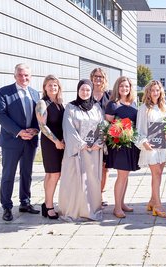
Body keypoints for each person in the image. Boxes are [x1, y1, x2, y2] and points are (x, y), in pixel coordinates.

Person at [0, 63, 40, 221]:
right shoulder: (4, 92)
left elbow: (39, 116)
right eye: (20, 75)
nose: (24, 78)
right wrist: (19, 132)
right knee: (8, 174)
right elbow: (0, 115)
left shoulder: (35, 93)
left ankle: (25, 202)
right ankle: (6, 207)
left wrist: (35, 130)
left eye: (26, 75)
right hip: (11, 141)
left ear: (30, 76)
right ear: (15, 76)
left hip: (30, 141)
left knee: (27, 173)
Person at [58, 79, 104, 221]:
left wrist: (99, 142)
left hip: (94, 151)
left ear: (91, 91)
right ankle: (75, 210)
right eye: (82, 89)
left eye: (88, 90)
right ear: (78, 90)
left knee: (91, 180)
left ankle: (92, 209)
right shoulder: (70, 108)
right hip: (77, 151)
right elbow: (68, 128)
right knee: (75, 180)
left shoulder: (97, 107)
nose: (85, 92)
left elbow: (102, 126)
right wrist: (81, 144)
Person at [136, 80, 166, 217]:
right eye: (152, 90)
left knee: (158, 175)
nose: (155, 93)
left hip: (162, 146)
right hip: (150, 146)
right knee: (156, 174)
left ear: (161, 91)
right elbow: (139, 129)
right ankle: (158, 205)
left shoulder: (163, 107)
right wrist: (143, 142)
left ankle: (152, 201)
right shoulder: (144, 108)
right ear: (148, 92)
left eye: (157, 90)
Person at [105, 76, 140, 218]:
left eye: (127, 86)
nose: (124, 89)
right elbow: (108, 126)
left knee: (126, 176)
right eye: (121, 86)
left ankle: (122, 203)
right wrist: (120, 133)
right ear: (117, 88)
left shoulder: (133, 103)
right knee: (121, 176)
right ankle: (117, 207)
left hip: (131, 144)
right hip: (119, 145)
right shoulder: (112, 104)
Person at [35, 75, 65, 219]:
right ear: (45, 87)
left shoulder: (59, 103)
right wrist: (56, 141)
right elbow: (42, 126)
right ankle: (49, 206)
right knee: (54, 174)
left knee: (50, 175)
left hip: (60, 142)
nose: (52, 88)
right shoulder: (42, 103)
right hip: (50, 143)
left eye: (55, 85)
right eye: (50, 85)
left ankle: (46, 204)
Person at [90, 68, 110, 206]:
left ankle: (100, 194)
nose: (98, 79)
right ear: (92, 78)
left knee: (104, 167)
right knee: (90, 166)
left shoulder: (109, 95)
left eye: (101, 77)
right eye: (96, 76)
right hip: (89, 136)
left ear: (104, 79)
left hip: (106, 136)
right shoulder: (86, 93)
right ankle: (90, 193)